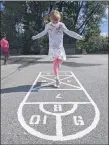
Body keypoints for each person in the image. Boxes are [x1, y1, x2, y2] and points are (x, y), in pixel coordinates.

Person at [32, 10, 84, 87]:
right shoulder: (48, 26)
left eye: (57, 21)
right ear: (50, 19)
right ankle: (57, 78)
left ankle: (56, 73)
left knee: (60, 61)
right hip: (53, 48)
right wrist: (35, 37)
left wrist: (79, 37)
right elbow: (43, 33)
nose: (56, 22)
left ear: (59, 19)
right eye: (54, 21)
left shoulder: (61, 25)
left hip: (60, 47)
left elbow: (69, 32)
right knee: (55, 63)